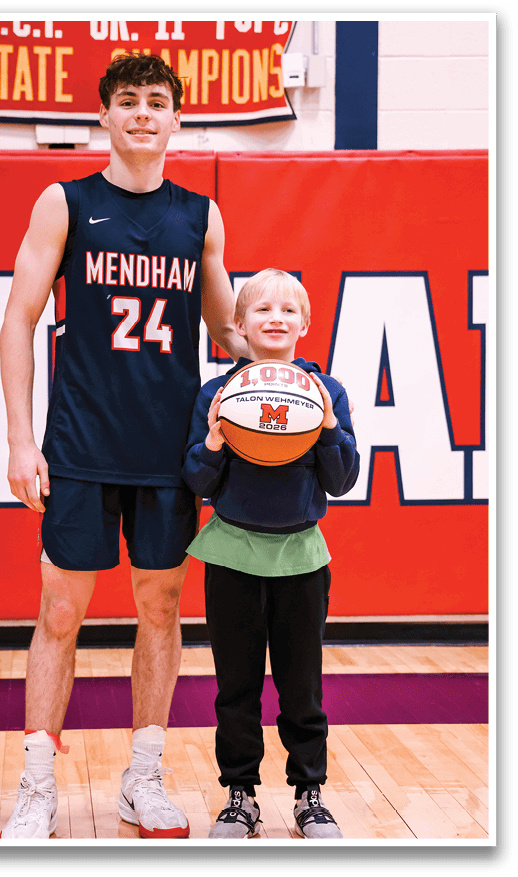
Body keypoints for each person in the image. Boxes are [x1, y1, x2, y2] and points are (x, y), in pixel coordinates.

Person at [0, 53, 246, 839]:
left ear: (178, 119)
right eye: (129, 101)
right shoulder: (63, 201)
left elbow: (224, 329)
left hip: (168, 453)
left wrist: (281, 348)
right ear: (103, 116)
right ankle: (37, 786)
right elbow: (18, 317)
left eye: (158, 102)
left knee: (161, 608)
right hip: (78, 445)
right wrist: (19, 439)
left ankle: (144, 777)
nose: (144, 113)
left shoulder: (200, 215)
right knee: (61, 610)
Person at [181, 268, 359, 839]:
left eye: (288, 310)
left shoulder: (325, 392)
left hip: (301, 560)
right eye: (261, 310)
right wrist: (212, 442)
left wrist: (329, 428)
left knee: (301, 684)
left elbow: (342, 480)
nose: (275, 318)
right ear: (237, 325)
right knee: (236, 685)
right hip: (232, 554)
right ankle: (240, 795)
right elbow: (196, 483)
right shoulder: (217, 394)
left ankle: (310, 794)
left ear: (304, 325)